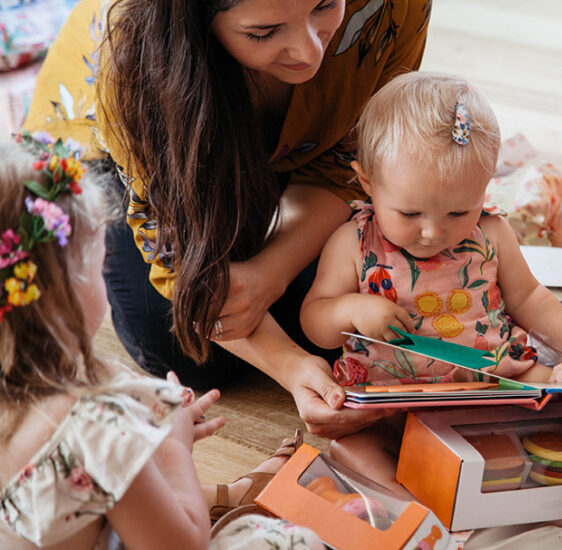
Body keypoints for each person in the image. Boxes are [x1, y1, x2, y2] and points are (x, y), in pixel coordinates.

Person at [299, 72, 562, 500]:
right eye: (410, 213)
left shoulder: (491, 233)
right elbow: (315, 321)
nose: (432, 232)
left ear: (485, 185)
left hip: (497, 384)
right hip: (393, 402)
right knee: (351, 447)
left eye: (457, 212)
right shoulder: (353, 243)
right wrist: (352, 310)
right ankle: (415, 511)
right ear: (367, 182)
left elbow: (530, 298)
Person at [22, 0, 432, 438]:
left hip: (300, 151)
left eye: (326, 5)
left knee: (355, 299)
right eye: (263, 32)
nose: (310, 51)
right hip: (129, 156)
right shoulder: (133, 61)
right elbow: (178, 261)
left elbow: (348, 159)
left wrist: (271, 273)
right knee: (183, 345)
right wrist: (291, 365)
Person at [0, 135, 323, 550]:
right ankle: (232, 503)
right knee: (290, 541)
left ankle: (228, 495)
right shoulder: (90, 422)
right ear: (64, 295)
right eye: (100, 265)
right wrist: (173, 447)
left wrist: (142, 439)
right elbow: (186, 546)